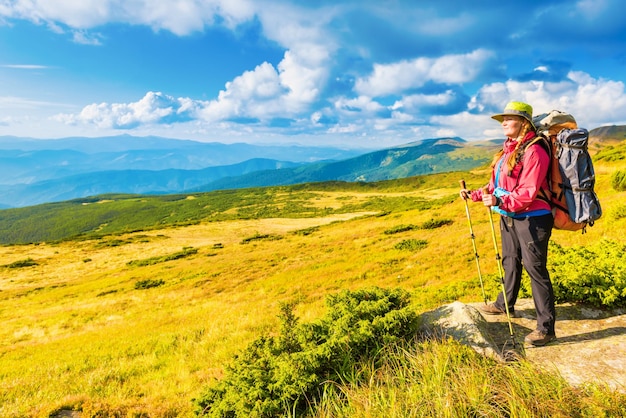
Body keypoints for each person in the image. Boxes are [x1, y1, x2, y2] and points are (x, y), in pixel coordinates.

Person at [460, 101, 556, 346]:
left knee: (536, 270)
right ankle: (505, 305)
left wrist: (500, 201)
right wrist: (474, 194)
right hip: (510, 216)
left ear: (524, 122)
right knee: (510, 261)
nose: (503, 122)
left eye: (509, 118)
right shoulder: (507, 151)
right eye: (502, 118)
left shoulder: (535, 150)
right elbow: (495, 187)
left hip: (533, 219)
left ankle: (546, 328)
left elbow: (528, 191)